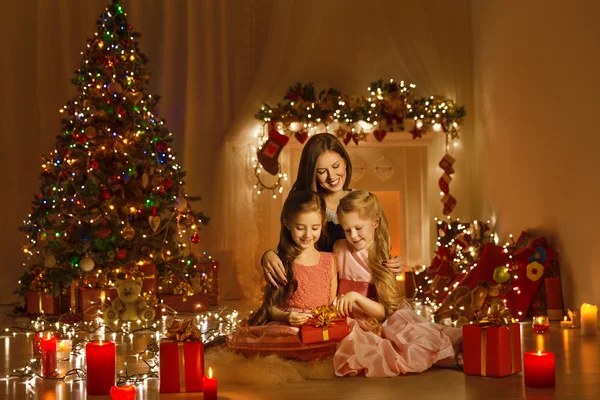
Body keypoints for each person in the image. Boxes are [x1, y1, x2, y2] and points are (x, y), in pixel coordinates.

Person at [333, 190, 463, 377]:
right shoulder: (340, 248)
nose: (353, 236)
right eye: (347, 230)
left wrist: (354, 298)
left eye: (358, 228)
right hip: (348, 316)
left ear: (375, 222)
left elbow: (385, 312)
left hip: (377, 317)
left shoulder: (382, 259)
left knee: (411, 343)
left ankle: (453, 355)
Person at [261, 133, 403, 289]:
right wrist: (268, 255)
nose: (332, 176)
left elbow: (378, 246)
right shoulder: (307, 205)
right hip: (318, 289)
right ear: (312, 173)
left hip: (362, 293)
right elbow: (289, 246)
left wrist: (394, 262)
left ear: (345, 162)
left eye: (336, 166)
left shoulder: (363, 201)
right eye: (322, 171)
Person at [226, 190, 338, 360]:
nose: (308, 235)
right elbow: (270, 308)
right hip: (287, 325)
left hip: (317, 326)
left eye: (314, 228)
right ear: (287, 223)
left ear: (322, 224)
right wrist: (287, 316)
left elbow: (330, 305)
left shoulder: (330, 261)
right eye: (300, 228)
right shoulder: (281, 261)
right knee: (286, 340)